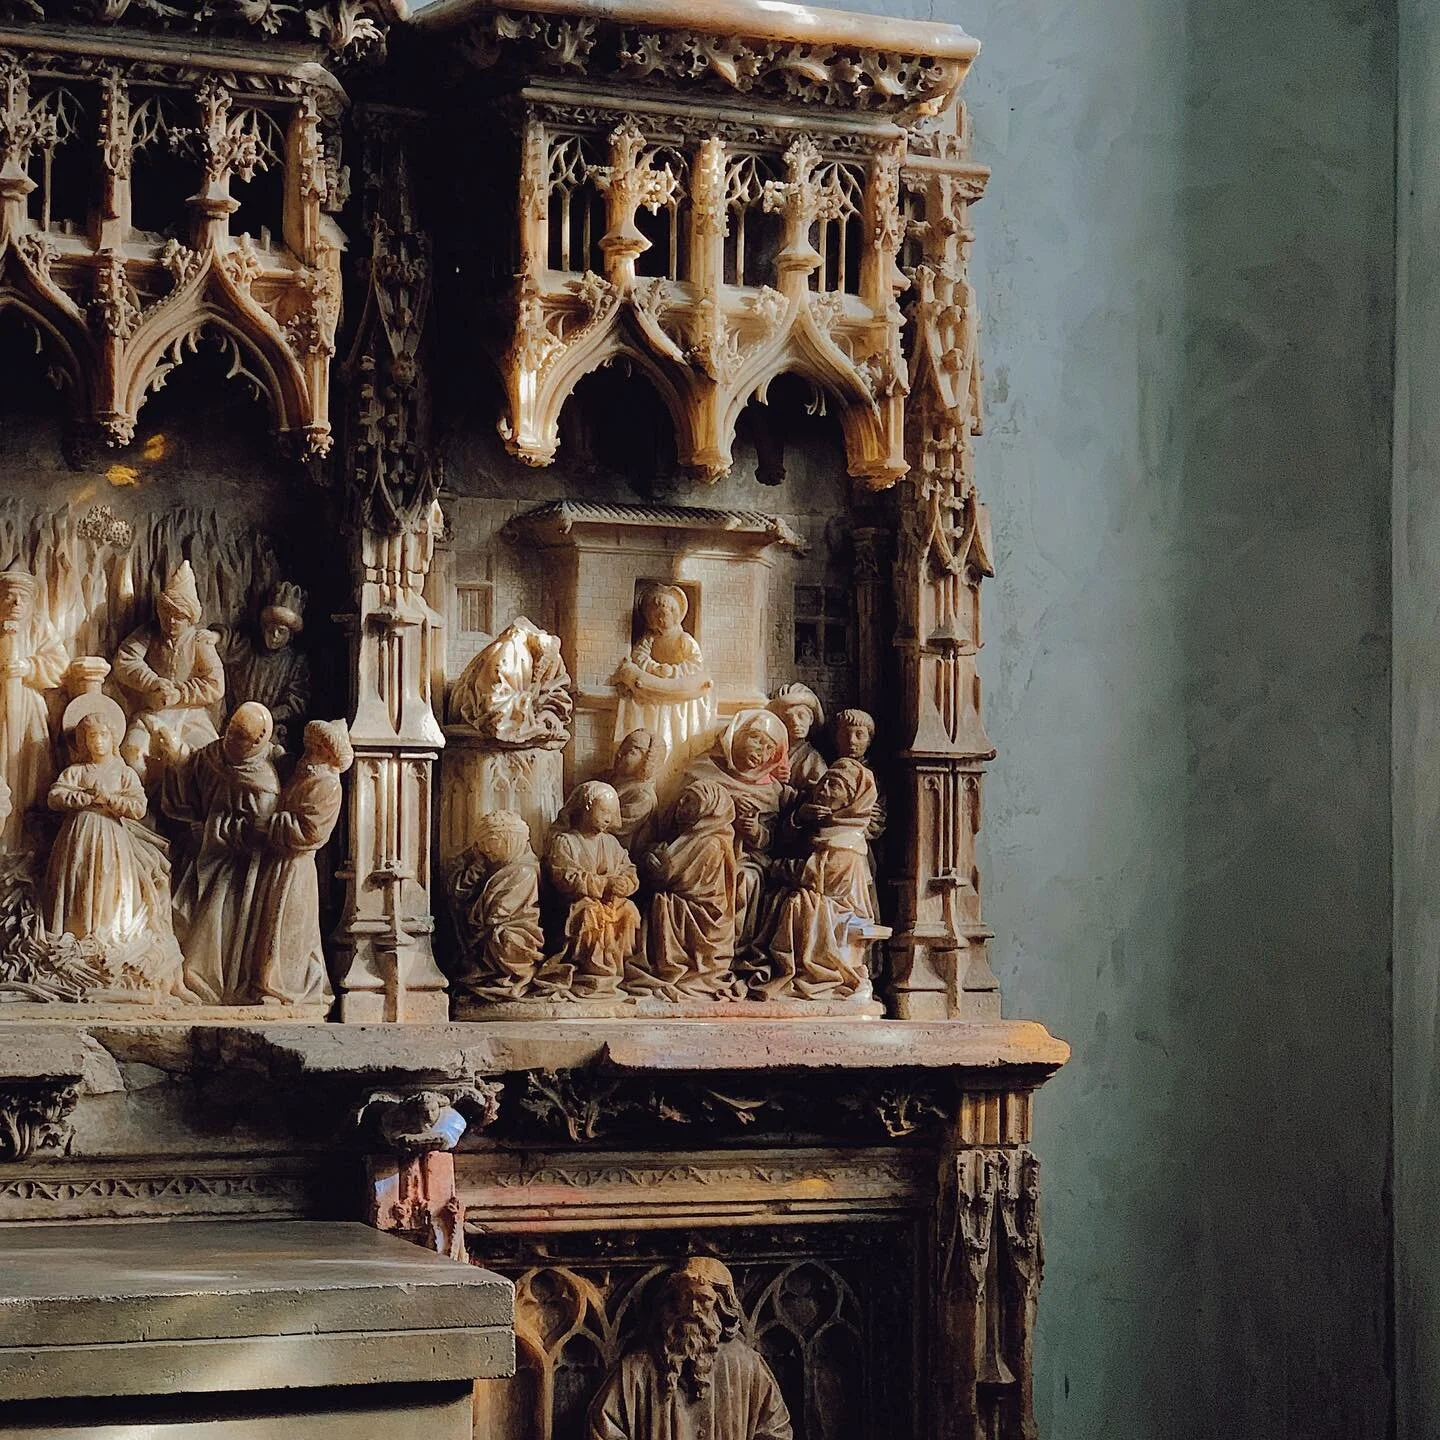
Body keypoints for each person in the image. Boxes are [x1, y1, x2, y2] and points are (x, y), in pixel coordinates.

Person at [42, 698, 191, 1000]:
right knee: (79, 882)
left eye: (102, 735)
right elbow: (55, 797)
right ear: (82, 742)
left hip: (112, 838)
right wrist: (83, 797)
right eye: (90, 737)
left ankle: (107, 940)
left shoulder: (123, 773)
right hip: (79, 837)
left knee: (109, 884)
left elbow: (138, 806)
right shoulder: (77, 771)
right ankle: (80, 937)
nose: (97, 742)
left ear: (112, 737)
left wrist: (111, 800)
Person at [587, 1258, 791, 1440]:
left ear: (720, 1304)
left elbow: (776, 1430)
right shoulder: (638, 1367)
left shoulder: (746, 1365)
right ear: (672, 1302)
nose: (693, 1309)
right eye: (686, 1297)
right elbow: (603, 1428)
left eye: (704, 1299)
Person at [160, 701, 279, 1005]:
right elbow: (192, 772)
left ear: (257, 741)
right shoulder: (215, 754)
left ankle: (208, 981)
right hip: (202, 854)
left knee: (214, 921)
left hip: (237, 868)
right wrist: (178, 758)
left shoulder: (263, 781)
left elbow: (258, 832)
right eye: (230, 734)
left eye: (240, 739)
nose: (230, 743)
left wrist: (213, 831)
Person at [247, 718, 352, 1007]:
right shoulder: (304, 773)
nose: (309, 749)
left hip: (297, 865)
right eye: (310, 743)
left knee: (291, 927)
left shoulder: (327, 785)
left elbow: (311, 831)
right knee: (272, 923)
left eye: (316, 746)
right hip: (280, 862)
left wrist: (270, 824)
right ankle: (267, 983)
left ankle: (287, 987)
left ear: (327, 752)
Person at [762, 757, 880, 1001]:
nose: (823, 790)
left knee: (801, 903)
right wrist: (798, 820)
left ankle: (817, 975)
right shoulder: (820, 823)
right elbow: (780, 841)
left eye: (834, 787)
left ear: (851, 800)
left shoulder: (848, 841)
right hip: (821, 895)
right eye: (824, 783)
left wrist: (772, 867)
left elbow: (815, 875)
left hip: (839, 907)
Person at [683, 709, 789, 962]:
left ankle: (733, 954)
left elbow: (771, 841)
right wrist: (718, 811)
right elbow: (678, 817)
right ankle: (699, 954)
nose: (760, 751)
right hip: (701, 855)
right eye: (755, 739)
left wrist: (752, 829)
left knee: (746, 881)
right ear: (736, 736)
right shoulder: (702, 768)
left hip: (744, 859)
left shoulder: (772, 791)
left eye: (768, 748)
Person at [113, 561, 225, 787]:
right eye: (166, 613)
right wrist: (152, 681)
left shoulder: (198, 641)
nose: (171, 621)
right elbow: (124, 660)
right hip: (152, 712)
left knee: (206, 760)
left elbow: (215, 684)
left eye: (179, 616)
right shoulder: (149, 633)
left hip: (189, 716)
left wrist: (181, 694)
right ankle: (141, 809)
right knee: (132, 756)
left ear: (190, 617)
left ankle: (188, 814)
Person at [631, 780, 742, 1002]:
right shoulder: (692, 836)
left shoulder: (710, 842)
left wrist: (650, 859)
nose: (681, 805)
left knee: (662, 901)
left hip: (703, 916)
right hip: (691, 907)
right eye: (682, 798)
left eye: (689, 801)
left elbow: (667, 875)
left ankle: (674, 968)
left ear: (708, 807)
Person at [543, 780, 641, 998]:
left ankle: (617, 973)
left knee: (629, 911)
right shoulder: (565, 841)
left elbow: (629, 869)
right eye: (604, 811)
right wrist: (604, 884)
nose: (609, 818)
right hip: (575, 904)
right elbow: (565, 876)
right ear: (587, 806)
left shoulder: (611, 843)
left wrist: (627, 883)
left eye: (612, 813)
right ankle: (588, 971)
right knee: (589, 913)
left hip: (611, 904)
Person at [611, 584, 714, 791]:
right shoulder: (650, 639)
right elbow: (639, 656)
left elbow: (695, 664)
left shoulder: (684, 640)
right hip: (652, 695)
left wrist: (673, 671)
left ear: (675, 615)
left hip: (677, 699)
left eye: (663, 615)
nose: (659, 620)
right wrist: (655, 668)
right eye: (654, 616)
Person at [0, 560, 67, 850]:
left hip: (27, 708)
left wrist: (28, 666)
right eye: (9, 596)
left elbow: (59, 664)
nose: (15, 603)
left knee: (29, 766)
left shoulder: (39, 627)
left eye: (22, 598)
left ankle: (25, 835)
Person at [447, 809, 545, 1000]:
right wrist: (477, 865)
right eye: (481, 843)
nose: (485, 848)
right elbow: (459, 891)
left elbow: (498, 911)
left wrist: (474, 915)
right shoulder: (497, 867)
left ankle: (509, 980)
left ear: (509, 839)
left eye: (490, 840)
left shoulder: (524, 871)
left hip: (514, 931)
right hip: (490, 929)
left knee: (505, 940)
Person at [223, 581, 312, 757]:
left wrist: (265, 717)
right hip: (237, 725)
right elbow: (228, 643)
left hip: (271, 731)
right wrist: (216, 635)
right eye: (271, 630)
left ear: (290, 635)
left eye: (281, 631)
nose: (275, 636)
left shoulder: (295, 662)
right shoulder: (249, 649)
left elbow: (296, 702)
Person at [608, 728, 660, 855]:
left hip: (621, 855)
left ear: (645, 760)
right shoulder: (615, 780)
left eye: (629, 752)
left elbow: (612, 827)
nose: (619, 754)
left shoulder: (643, 796)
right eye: (621, 749)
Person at [766, 683, 827, 792]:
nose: (795, 722)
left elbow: (817, 794)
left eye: (801, 716)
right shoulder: (769, 752)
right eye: (788, 717)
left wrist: (779, 787)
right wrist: (769, 774)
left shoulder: (813, 759)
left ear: (811, 719)